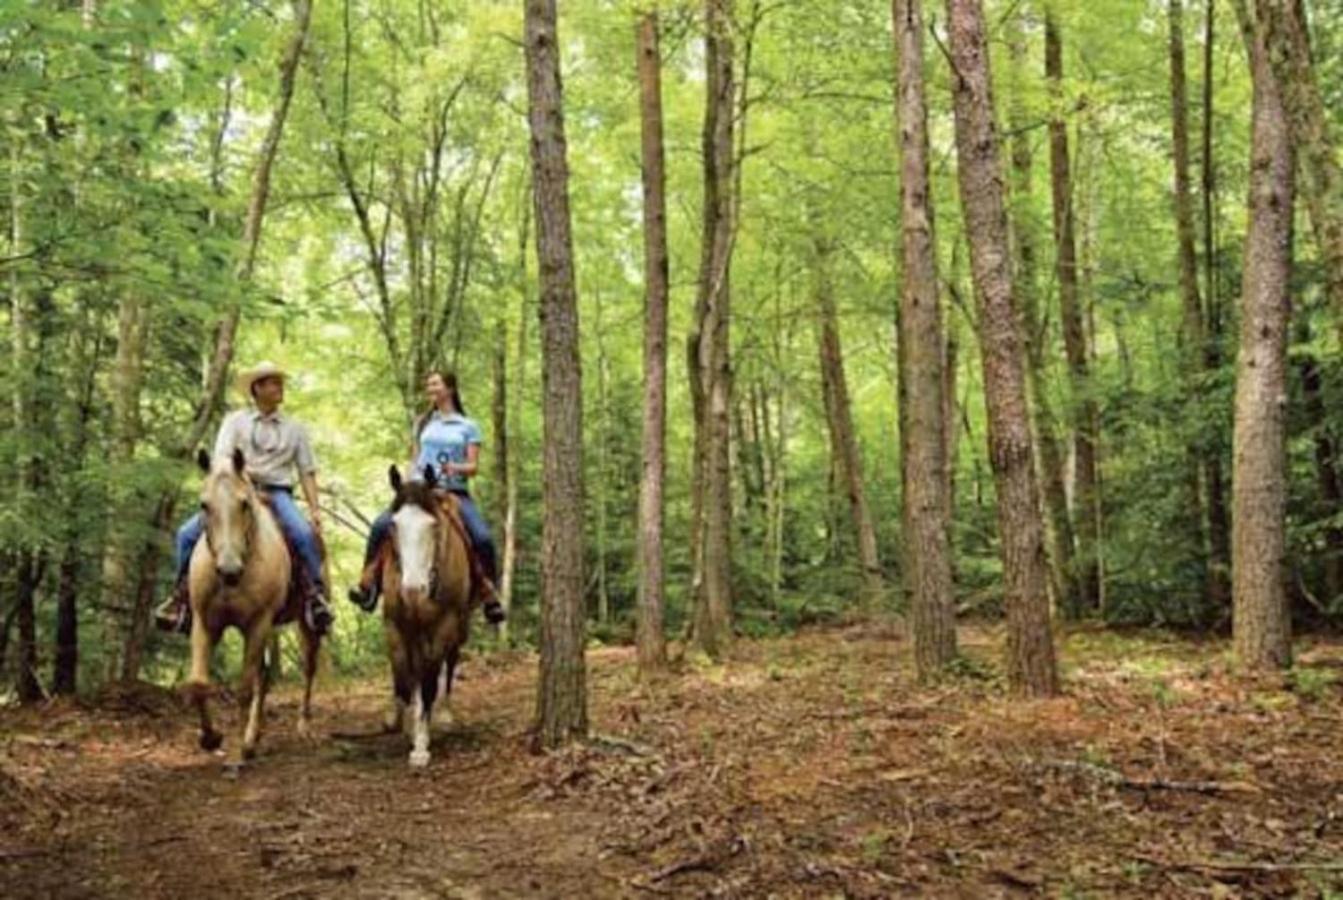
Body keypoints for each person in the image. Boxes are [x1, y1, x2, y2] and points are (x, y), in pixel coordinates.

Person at [155, 361, 335, 637]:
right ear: (258, 388)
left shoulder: (295, 428)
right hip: (238, 491)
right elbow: (222, 460)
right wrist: (245, 486)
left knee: (303, 534)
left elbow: (307, 471)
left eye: (279, 382)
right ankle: (180, 599)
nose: (279, 388)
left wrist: (314, 509)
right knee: (185, 535)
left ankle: (315, 597)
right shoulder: (235, 422)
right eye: (273, 383)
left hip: (278, 493)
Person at [349, 370, 504, 625]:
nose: (430, 388)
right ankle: (369, 586)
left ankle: (489, 595)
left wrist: (452, 468)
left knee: (483, 538)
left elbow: (473, 466)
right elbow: (416, 458)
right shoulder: (423, 422)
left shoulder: (468, 426)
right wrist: (408, 485)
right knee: (381, 525)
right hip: (420, 491)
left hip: (454, 491)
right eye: (428, 384)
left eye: (435, 383)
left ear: (449, 389)